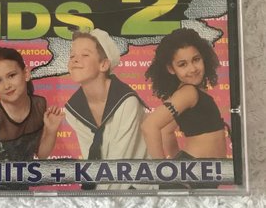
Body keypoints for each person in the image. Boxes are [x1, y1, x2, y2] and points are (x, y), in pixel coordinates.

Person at [65, 29, 148, 190]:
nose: (75, 60)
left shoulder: (127, 102)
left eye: (85, 55)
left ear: (103, 64)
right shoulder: (72, 110)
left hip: (136, 187)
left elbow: (120, 163)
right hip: (104, 188)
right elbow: (91, 157)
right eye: (72, 55)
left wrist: (96, 200)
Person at [0, 47, 63, 190]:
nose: (6, 85)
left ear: (26, 74)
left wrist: (51, 131)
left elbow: (42, 155)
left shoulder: (39, 104)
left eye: (11, 75)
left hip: (21, 194)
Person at [142, 28, 227, 162]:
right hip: (197, 171)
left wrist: (179, 167)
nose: (192, 69)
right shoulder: (188, 92)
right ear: (171, 69)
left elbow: (167, 131)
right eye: (182, 64)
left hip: (198, 170)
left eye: (196, 59)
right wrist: (160, 169)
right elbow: (149, 126)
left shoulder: (190, 92)